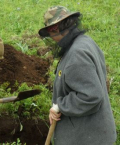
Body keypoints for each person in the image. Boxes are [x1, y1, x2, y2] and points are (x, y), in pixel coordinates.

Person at [38, 6, 117, 145]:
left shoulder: (76, 55)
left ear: (55, 29)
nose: (51, 38)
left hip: (87, 138)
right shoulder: (85, 42)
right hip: (93, 134)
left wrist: (60, 106)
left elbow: (91, 95)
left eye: (51, 33)